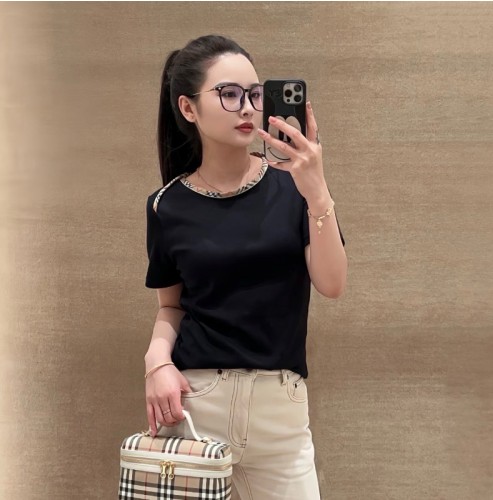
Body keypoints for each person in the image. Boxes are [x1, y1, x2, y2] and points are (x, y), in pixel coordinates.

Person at [143, 34, 347, 500]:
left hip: (280, 415)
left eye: (255, 94)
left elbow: (333, 283)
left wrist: (317, 190)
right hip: (194, 406)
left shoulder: (294, 187)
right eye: (229, 94)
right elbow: (171, 308)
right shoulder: (165, 206)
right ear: (188, 108)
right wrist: (156, 363)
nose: (248, 108)